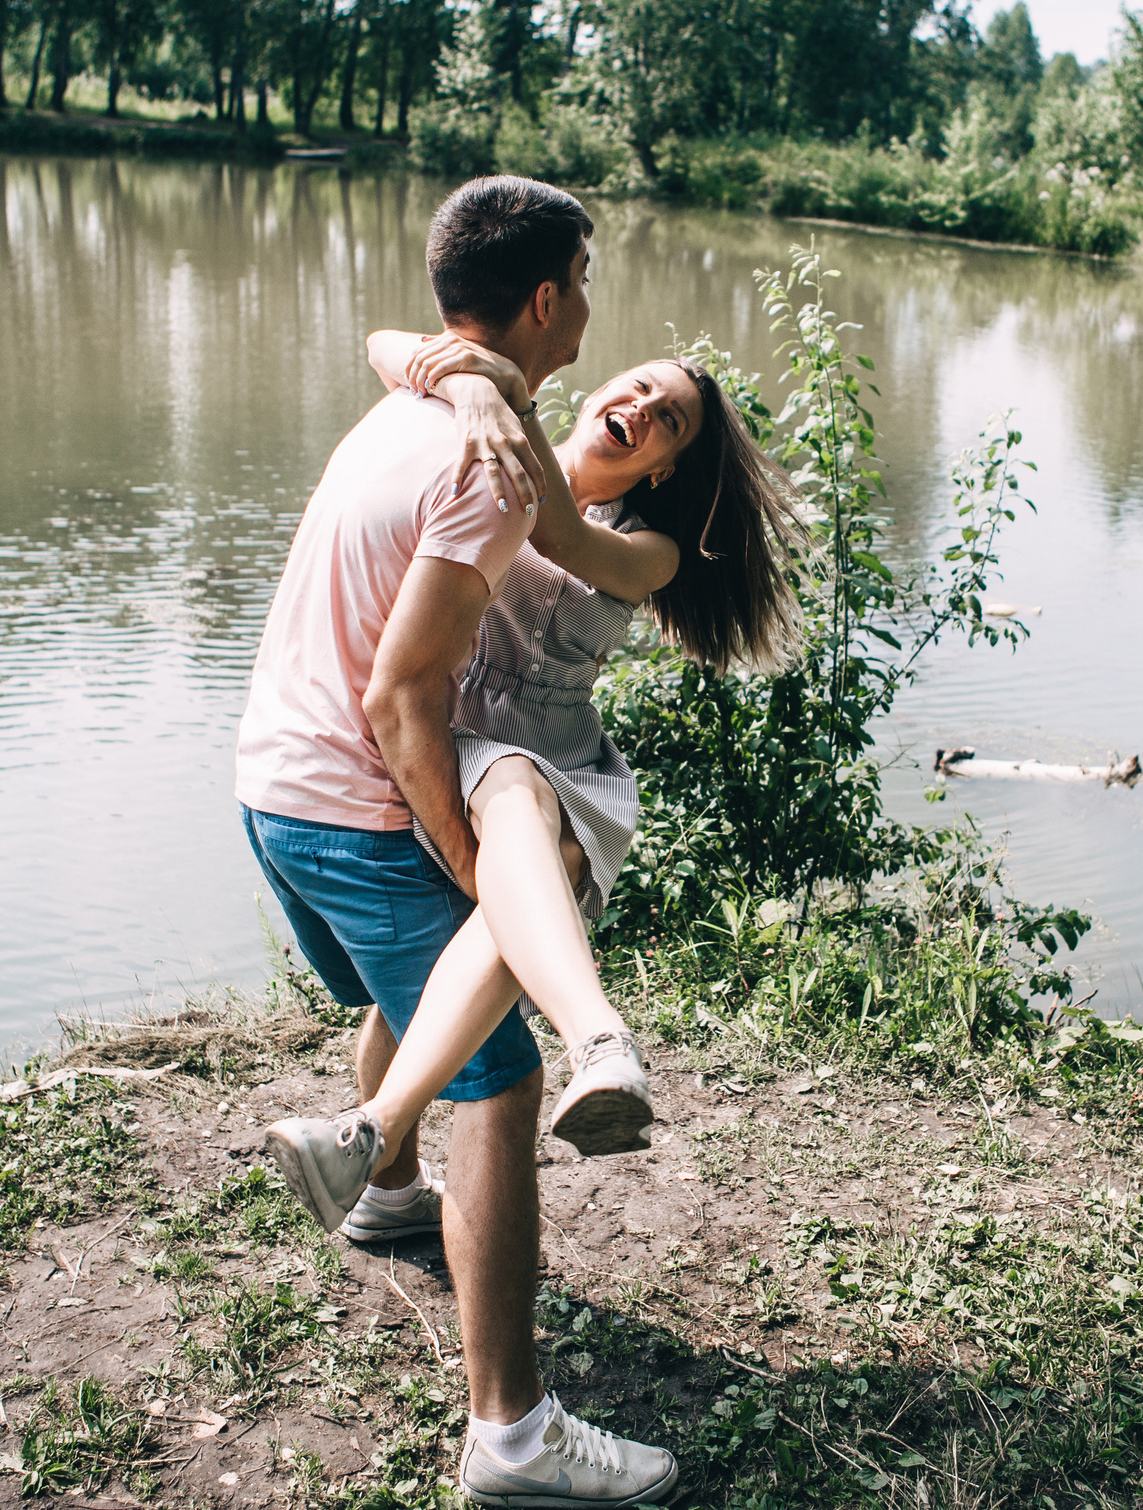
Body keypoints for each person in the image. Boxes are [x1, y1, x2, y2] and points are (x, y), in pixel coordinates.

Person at [235, 176, 794, 1508]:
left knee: (475, 912)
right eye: (638, 374)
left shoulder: (606, 525)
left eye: (668, 415)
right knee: (489, 1061)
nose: (638, 395)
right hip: (432, 763)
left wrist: (479, 383)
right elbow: (399, 350)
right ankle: (508, 1429)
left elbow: (549, 521)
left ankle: (399, 1148)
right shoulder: (474, 440)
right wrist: (470, 378)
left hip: (511, 762)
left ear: (666, 466)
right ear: (550, 303)